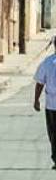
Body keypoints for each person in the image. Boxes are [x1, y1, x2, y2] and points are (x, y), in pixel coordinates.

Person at [32, 38, 56, 170]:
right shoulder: (47, 62)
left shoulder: (47, 63)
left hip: (51, 105)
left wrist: (36, 100)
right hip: (51, 104)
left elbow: (40, 82)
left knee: (53, 133)